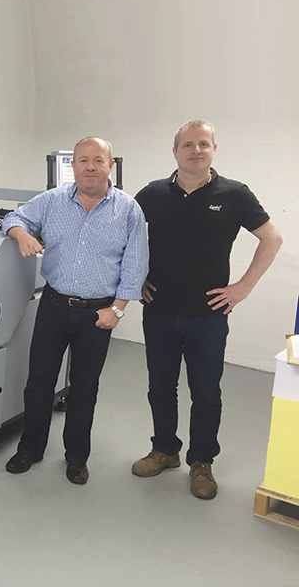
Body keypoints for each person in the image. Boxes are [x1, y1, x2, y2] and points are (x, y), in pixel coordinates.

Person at [132, 120, 283, 500]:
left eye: (203, 143)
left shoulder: (234, 194)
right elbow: (121, 234)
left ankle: (201, 462)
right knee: (160, 387)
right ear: (175, 151)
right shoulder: (152, 193)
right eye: (187, 144)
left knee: (206, 392)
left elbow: (272, 238)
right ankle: (165, 450)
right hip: (159, 311)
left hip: (208, 316)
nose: (195, 150)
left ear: (214, 148)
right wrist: (133, 279)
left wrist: (244, 287)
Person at [2, 137, 148, 485]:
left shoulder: (128, 210)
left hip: (98, 314)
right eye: (83, 160)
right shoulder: (52, 201)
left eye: (98, 160)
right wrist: (22, 235)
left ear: (110, 165)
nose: (90, 167)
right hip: (53, 306)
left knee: (84, 389)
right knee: (39, 383)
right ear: (73, 165)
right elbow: (13, 217)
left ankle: (77, 457)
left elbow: (136, 264)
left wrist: (118, 310)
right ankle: (30, 449)